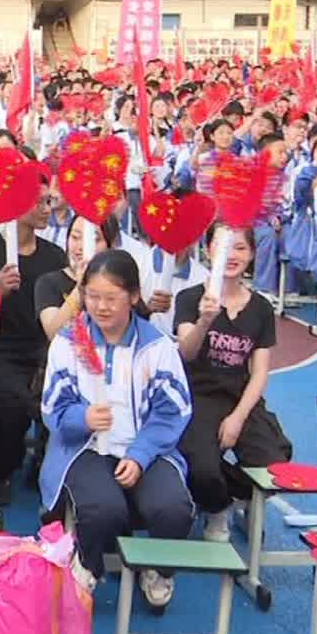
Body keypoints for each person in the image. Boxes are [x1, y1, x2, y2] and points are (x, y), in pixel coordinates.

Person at [39, 249, 194, 602]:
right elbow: (53, 407)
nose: (101, 306)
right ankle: (88, 564)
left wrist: (140, 454)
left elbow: (172, 412)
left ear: (134, 296)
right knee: (103, 510)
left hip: (148, 450)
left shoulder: (157, 347)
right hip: (86, 447)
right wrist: (82, 418)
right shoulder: (68, 341)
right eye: (93, 296)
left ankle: (159, 568)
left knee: (173, 509)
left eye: (111, 298)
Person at [173, 225, 292, 541]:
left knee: (274, 463)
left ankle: (241, 496)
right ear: (209, 250)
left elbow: (260, 371)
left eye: (240, 248)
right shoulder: (190, 298)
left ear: (251, 254)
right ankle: (217, 505)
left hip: (239, 397)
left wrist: (238, 417)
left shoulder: (261, 308)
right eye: (224, 247)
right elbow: (186, 352)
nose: (232, 255)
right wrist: (205, 320)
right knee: (201, 468)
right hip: (199, 397)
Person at [0, 175, 64, 505]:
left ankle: (48, 463)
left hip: (42, 350)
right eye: (39, 202)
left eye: (48, 201)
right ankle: (1, 472)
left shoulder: (55, 256)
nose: (46, 208)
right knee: (12, 404)